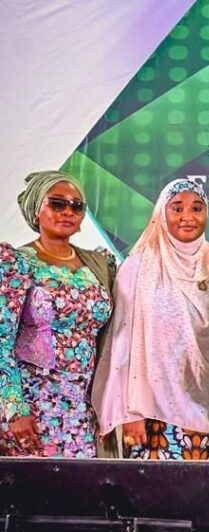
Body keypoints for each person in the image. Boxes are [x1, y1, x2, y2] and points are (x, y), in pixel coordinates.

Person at [92, 179, 209, 459]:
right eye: (177, 208)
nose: (188, 216)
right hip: (154, 414)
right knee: (157, 486)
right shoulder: (139, 267)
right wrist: (129, 412)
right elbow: (122, 344)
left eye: (197, 208)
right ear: (161, 214)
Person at [0, 171, 115, 458]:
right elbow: (2, 340)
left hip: (85, 405)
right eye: (57, 203)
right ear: (36, 209)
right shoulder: (16, 263)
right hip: (34, 403)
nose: (68, 211)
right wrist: (14, 409)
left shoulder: (98, 265)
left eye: (77, 206)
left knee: (85, 484)